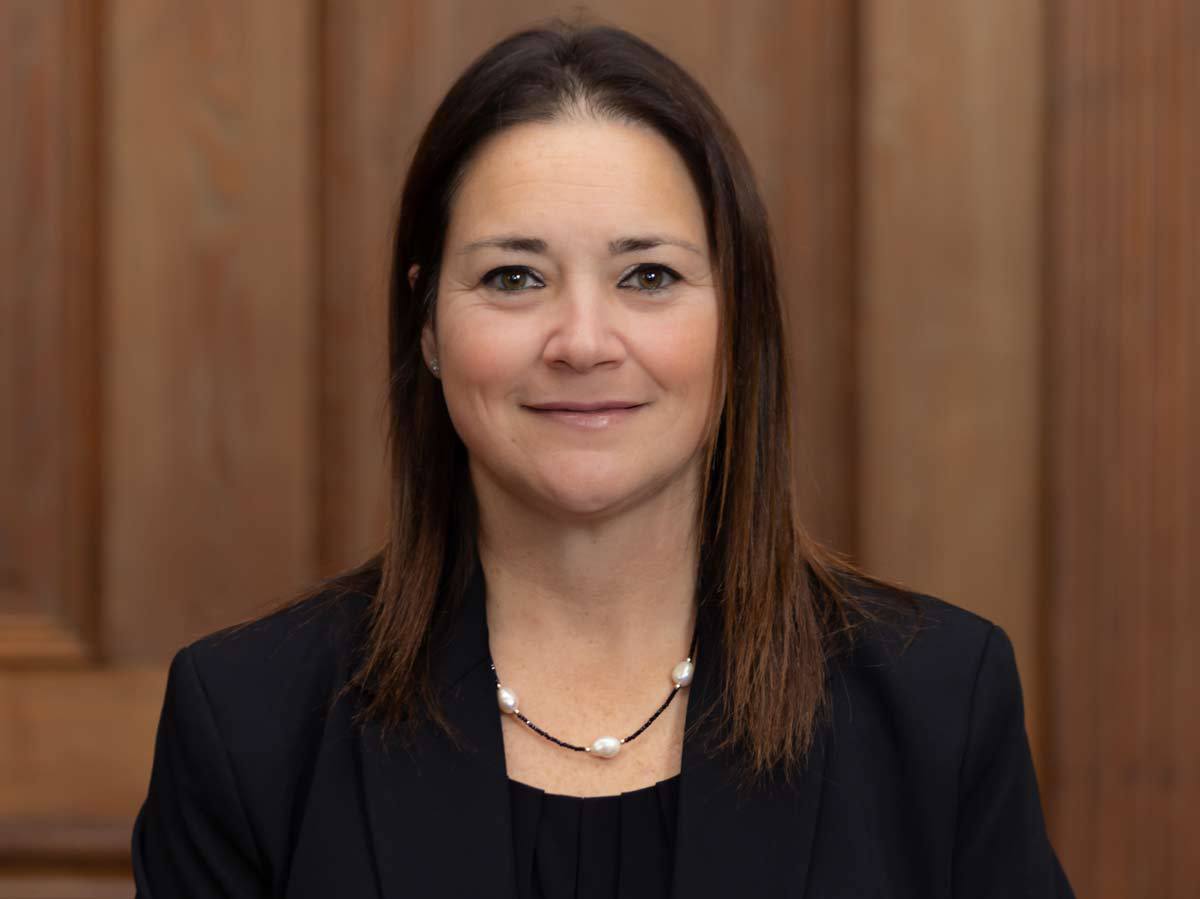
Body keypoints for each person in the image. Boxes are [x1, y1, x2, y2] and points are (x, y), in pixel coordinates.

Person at [130, 19, 1074, 899]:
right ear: (426, 323)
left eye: (648, 277)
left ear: (735, 317)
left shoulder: (940, 702)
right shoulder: (247, 723)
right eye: (514, 277)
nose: (583, 340)